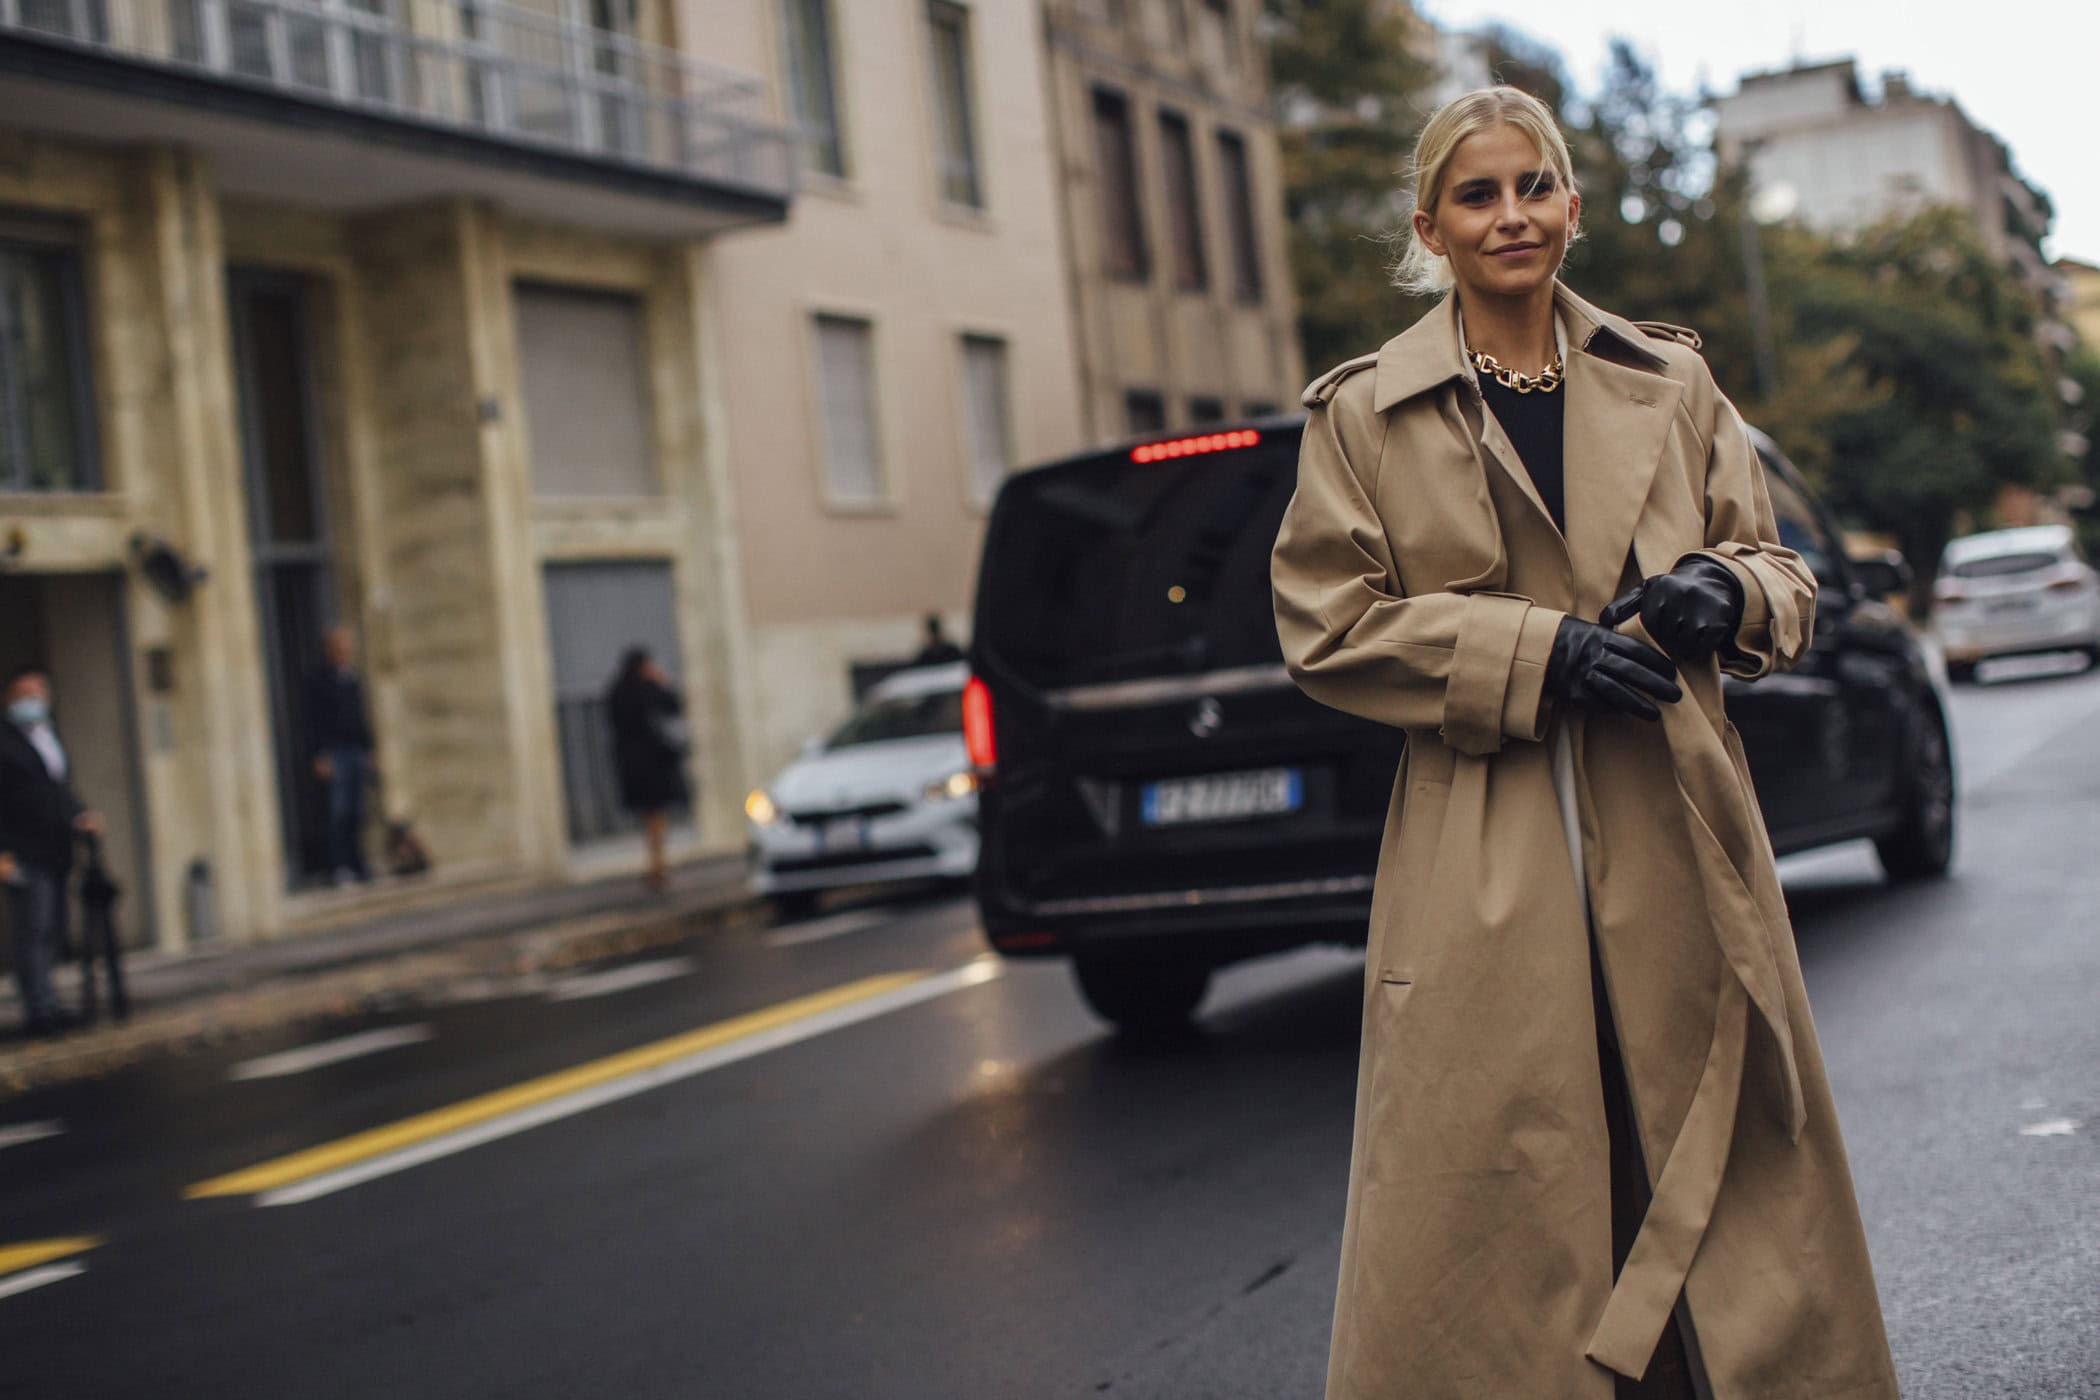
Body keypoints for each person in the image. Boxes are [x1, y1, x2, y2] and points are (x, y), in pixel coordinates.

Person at [1270, 87, 1896, 1400]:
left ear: (1571, 203)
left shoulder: (1670, 380)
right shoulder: (1361, 414)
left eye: (1534, 187)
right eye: (1479, 195)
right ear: (1431, 227)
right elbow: (1327, 627)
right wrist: (1531, 654)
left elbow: (1780, 566)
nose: (1514, 217)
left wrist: (1727, 591)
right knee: (1519, 1188)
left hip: (1677, 821)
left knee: (1716, 1157)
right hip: (1484, 858)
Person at [0, 666, 101, 1037]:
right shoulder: (5, 741)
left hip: (56, 848)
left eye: (39, 691)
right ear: (9, 699)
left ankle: (52, 1004)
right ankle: (38, 1010)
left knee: (54, 928)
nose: (33, 700)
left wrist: (79, 816)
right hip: (23, 851)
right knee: (34, 930)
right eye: (25, 693)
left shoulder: (46, 736)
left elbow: (58, 788)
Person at [606, 647, 690, 892]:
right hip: (653, 763)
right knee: (657, 815)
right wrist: (663, 682)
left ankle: (656, 864)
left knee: (649, 816)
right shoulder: (648, 689)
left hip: (630, 765)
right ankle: (659, 865)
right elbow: (673, 706)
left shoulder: (617, 691)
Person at [308, 625, 375, 885]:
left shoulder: (352, 677)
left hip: (356, 750)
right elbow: (314, 722)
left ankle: (358, 863)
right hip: (334, 752)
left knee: (358, 811)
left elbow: (361, 716)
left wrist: (370, 749)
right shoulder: (319, 681)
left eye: (346, 646)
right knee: (338, 812)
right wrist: (320, 755)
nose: (344, 651)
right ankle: (338, 866)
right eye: (339, 646)